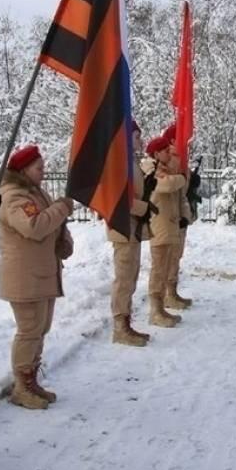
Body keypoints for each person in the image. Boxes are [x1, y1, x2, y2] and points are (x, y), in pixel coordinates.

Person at [0, 144, 74, 409]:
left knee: (40, 329)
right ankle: (21, 385)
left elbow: (52, 224)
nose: (43, 172)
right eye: (38, 168)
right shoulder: (15, 198)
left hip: (41, 274)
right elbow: (35, 226)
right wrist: (62, 208)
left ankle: (30, 380)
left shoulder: (36, 193)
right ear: (23, 170)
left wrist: (65, 239)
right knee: (29, 331)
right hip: (25, 277)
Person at [106, 121, 153, 347]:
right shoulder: (118, 163)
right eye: (136, 136)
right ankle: (120, 327)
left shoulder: (132, 161)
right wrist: (143, 208)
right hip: (122, 226)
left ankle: (126, 323)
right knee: (124, 277)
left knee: (131, 276)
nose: (140, 140)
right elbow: (117, 197)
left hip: (132, 225)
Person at [142, 134, 188, 327]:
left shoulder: (164, 168)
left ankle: (161, 307)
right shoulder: (150, 169)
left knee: (166, 265)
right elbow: (167, 185)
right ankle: (155, 310)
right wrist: (181, 177)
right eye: (166, 151)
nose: (170, 153)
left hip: (169, 224)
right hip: (159, 226)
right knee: (159, 269)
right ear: (156, 153)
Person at [161, 123, 194, 311]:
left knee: (177, 254)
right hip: (172, 216)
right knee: (171, 255)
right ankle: (167, 293)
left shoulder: (179, 159)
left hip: (180, 213)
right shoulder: (172, 160)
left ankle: (172, 291)